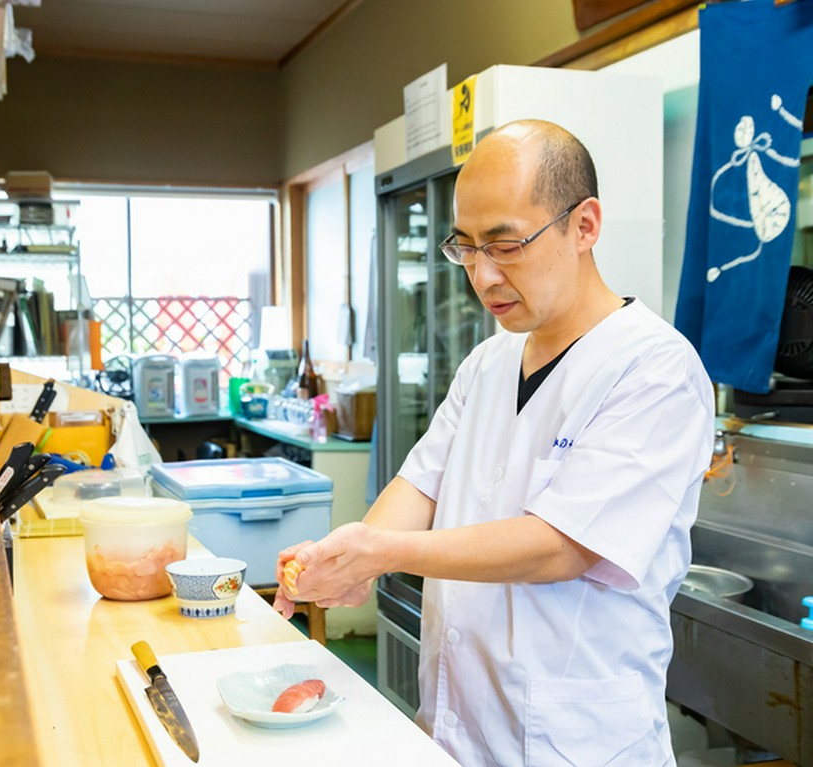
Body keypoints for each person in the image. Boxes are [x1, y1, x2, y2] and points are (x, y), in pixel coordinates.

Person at [273, 119, 715, 767]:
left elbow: (560, 545)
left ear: (584, 225)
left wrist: (380, 552)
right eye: (467, 247)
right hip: (456, 728)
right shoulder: (488, 362)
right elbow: (421, 483)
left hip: (574, 743)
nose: (482, 276)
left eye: (506, 245)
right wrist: (348, 555)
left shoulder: (653, 368)